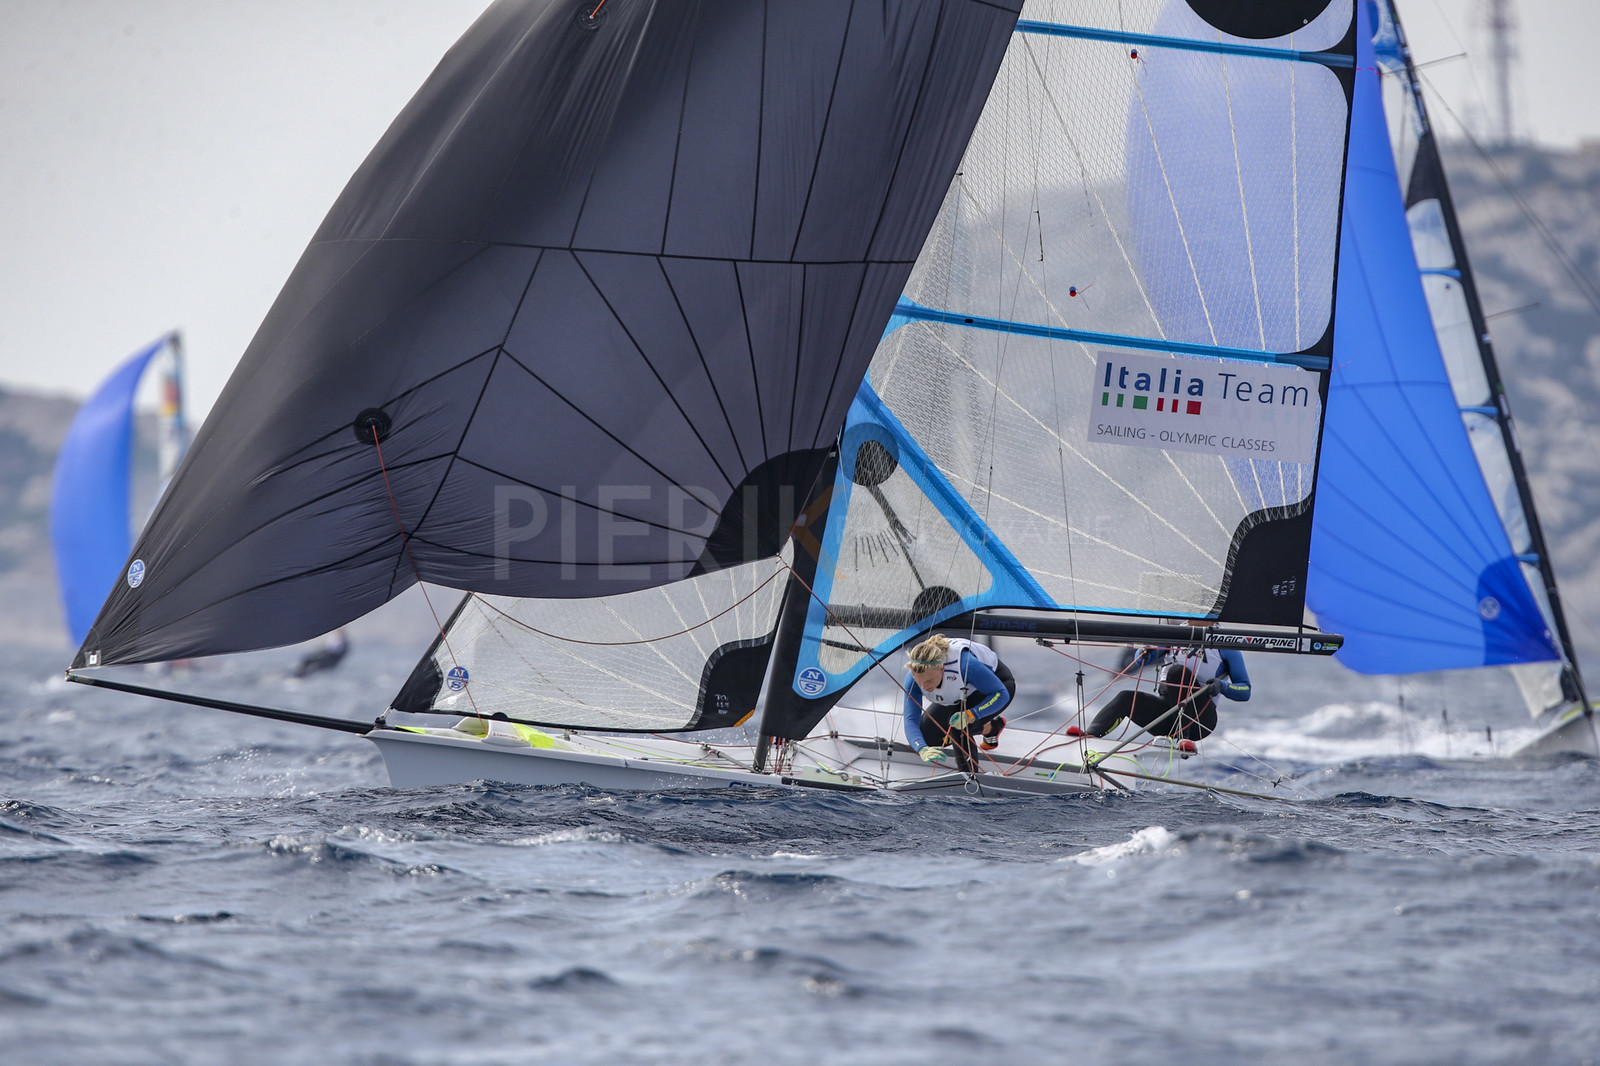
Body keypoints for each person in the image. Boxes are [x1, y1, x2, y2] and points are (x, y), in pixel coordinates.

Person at [1067, 646, 1250, 752]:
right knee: (1126, 698)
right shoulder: (1175, 635)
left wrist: (1223, 686)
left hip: (1199, 720)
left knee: (1177, 672)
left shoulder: (1225, 646)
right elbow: (1142, 660)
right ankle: (1090, 735)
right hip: (1167, 717)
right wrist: (1143, 652)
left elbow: (1245, 690)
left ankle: (1183, 738)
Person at [902, 634, 1015, 772]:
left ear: (942, 668)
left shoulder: (966, 664)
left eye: (929, 681)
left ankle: (970, 776)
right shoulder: (914, 678)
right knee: (928, 739)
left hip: (996, 687)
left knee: (958, 726)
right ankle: (991, 728)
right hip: (960, 693)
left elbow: (1001, 694)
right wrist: (922, 748)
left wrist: (971, 714)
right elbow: (911, 719)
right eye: (919, 682)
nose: (924, 687)